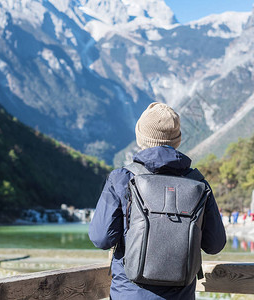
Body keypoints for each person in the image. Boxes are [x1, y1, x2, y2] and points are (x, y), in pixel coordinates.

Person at [89, 102, 226, 299]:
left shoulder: (122, 178)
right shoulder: (197, 183)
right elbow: (215, 244)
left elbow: (101, 238)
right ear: (177, 140)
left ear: (141, 137)